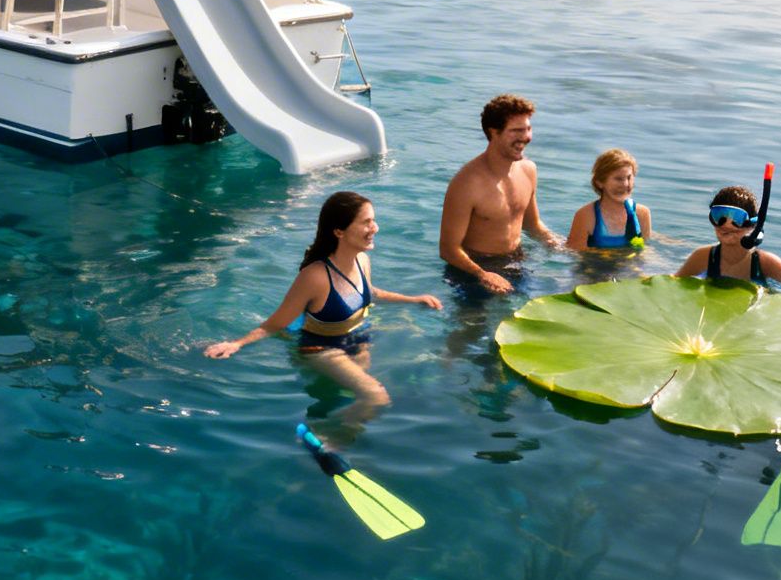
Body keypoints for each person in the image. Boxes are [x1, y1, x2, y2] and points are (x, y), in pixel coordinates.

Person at [205, 192, 442, 420]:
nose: (375, 228)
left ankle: (340, 429)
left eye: (374, 220)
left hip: (358, 339)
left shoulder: (362, 260)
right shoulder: (315, 277)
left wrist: (412, 299)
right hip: (322, 349)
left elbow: (369, 293)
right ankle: (327, 437)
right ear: (339, 231)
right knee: (376, 397)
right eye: (366, 222)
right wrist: (236, 343)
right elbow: (276, 323)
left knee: (357, 391)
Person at [439, 94, 562, 298]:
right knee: (473, 328)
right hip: (473, 269)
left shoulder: (529, 170)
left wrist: (560, 245)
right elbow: (448, 249)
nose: (526, 137)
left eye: (528, 129)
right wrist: (482, 274)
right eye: (516, 131)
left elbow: (532, 225)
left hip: (517, 261)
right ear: (493, 132)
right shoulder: (466, 183)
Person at [673, 185, 781, 313]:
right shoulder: (703, 256)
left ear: (752, 225)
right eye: (719, 216)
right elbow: (672, 283)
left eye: (736, 218)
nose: (726, 224)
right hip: (710, 313)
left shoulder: (765, 262)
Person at [567, 147, 652, 251]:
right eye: (618, 179)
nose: (626, 184)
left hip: (629, 266)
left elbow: (643, 250)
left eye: (629, 177)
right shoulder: (586, 215)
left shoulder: (642, 213)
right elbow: (574, 254)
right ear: (600, 182)